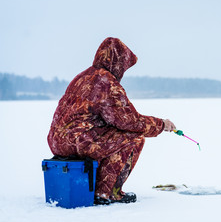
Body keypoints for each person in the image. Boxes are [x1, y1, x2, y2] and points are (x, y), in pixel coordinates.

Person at [47, 37, 176, 204]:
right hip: (79, 140)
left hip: (57, 140)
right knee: (133, 138)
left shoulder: (82, 77)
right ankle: (107, 193)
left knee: (111, 138)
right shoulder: (106, 82)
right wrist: (161, 124)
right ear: (117, 62)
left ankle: (92, 187)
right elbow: (129, 121)